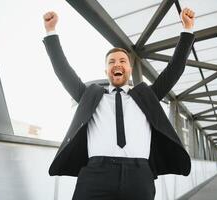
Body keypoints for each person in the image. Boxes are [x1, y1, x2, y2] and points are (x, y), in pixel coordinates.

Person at [43, 7, 195, 200]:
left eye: (123, 61)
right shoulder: (90, 96)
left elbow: (174, 69)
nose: (117, 64)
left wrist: (187, 30)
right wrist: (51, 31)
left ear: (129, 69)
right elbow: (63, 70)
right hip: (95, 174)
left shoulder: (146, 96)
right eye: (111, 61)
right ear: (106, 70)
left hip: (139, 175)